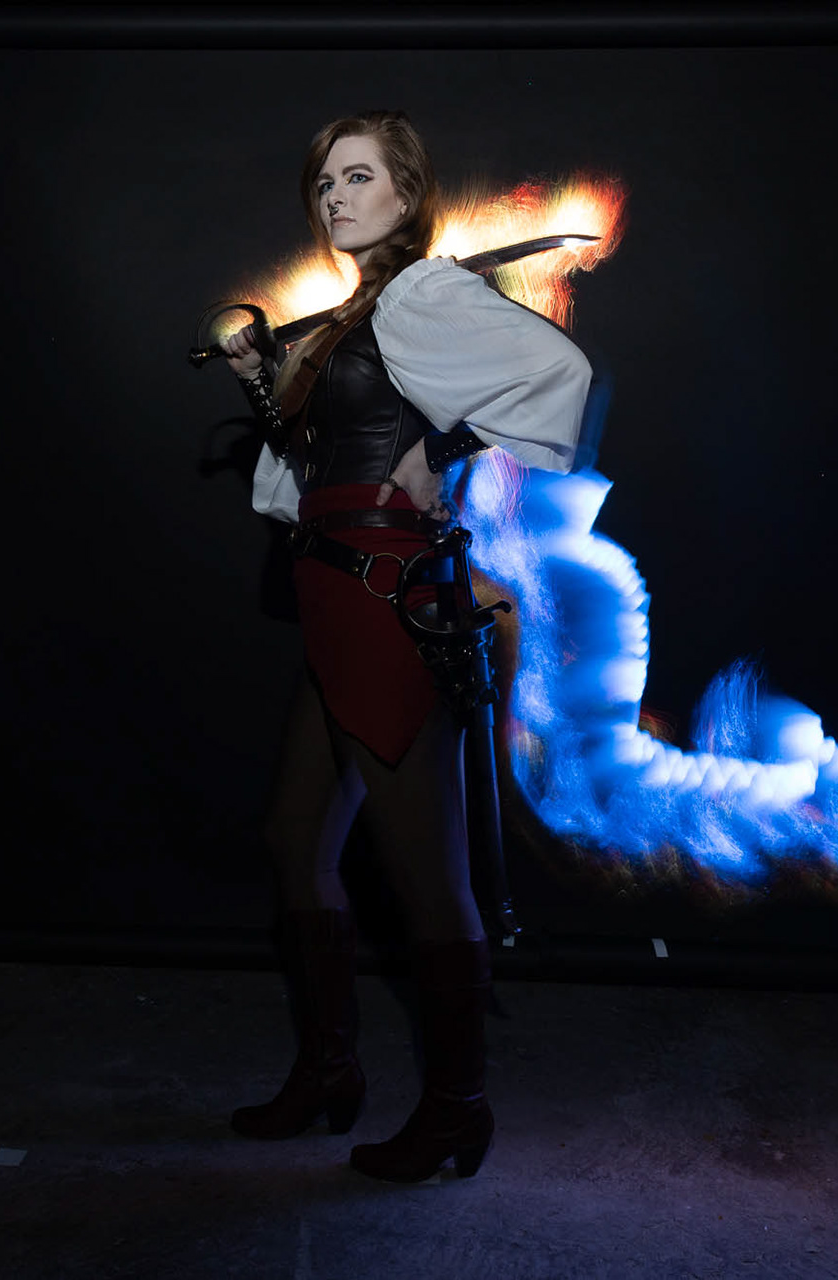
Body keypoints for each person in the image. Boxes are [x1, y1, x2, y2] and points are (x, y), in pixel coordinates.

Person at [219, 110, 591, 1182]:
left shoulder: (423, 291)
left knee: (425, 870)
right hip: (333, 595)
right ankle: (329, 1070)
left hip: (387, 599)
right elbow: (307, 473)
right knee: (295, 839)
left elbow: (559, 370)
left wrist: (447, 442)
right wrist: (264, 380)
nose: (335, 196)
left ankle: (457, 1108)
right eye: (325, 180)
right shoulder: (352, 317)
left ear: (408, 192)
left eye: (358, 176)